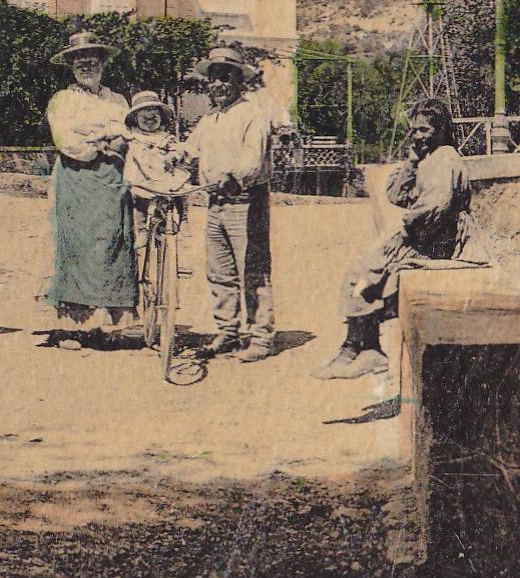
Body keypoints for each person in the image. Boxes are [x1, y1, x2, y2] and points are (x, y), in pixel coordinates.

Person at [314, 98, 488, 379]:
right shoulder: (427, 157)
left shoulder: (445, 158)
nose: (418, 136)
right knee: (364, 270)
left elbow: (437, 205)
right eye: (414, 130)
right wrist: (411, 161)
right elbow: (395, 195)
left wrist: (406, 230)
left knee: (372, 272)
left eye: (424, 130)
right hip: (423, 234)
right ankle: (363, 349)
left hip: (440, 239)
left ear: (441, 128)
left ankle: (358, 349)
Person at [184, 46, 280, 362]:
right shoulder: (208, 118)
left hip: (245, 201)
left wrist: (234, 176)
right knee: (219, 271)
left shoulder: (253, 114)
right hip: (214, 204)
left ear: (239, 81)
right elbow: (190, 151)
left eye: (226, 77)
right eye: (214, 78)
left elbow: (253, 160)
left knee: (252, 268)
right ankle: (227, 331)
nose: (219, 85)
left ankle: (261, 337)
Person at [41, 31, 137, 345]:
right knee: (77, 244)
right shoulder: (63, 100)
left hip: (112, 180)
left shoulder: (117, 100)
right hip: (76, 178)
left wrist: (105, 137)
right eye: (80, 62)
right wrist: (100, 141)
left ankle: (110, 323)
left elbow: (126, 134)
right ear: (71, 66)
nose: (87, 67)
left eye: (92, 62)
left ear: (102, 65)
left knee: (111, 242)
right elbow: (67, 140)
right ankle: (74, 325)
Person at [121, 90, 196, 277]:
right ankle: (141, 232)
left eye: (154, 111)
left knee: (177, 189)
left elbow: (178, 148)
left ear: (161, 117)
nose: (150, 116)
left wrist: (175, 154)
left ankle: (183, 218)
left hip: (163, 176)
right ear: (134, 118)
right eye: (144, 112)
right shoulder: (132, 136)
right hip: (142, 178)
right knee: (137, 202)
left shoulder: (165, 136)